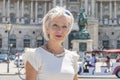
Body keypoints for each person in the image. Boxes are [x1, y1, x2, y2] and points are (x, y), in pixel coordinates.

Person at [23, 6, 79, 80]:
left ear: (68, 31)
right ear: (47, 29)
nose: (60, 30)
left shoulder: (72, 57)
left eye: (64, 27)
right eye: (55, 25)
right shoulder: (35, 55)